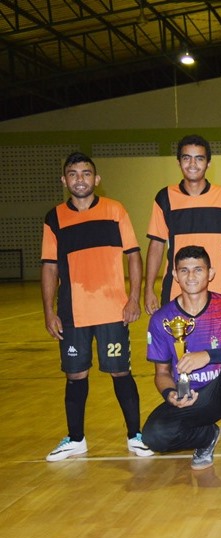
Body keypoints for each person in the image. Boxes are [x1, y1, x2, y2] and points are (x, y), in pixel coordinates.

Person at [41, 152, 151, 461]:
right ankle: (76, 439)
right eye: (73, 174)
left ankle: (135, 435)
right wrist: (49, 311)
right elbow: (49, 267)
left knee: (120, 372)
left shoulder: (115, 210)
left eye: (86, 173)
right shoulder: (54, 218)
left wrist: (133, 298)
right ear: (64, 180)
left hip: (112, 310)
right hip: (72, 313)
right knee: (76, 376)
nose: (80, 179)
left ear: (96, 179)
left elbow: (133, 254)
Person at [141, 245, 221, 496]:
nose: (191, 276)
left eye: (198, 269)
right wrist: (170, 395)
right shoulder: (161, 320)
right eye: (184, 270)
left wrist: (209, 356)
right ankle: (206, 436)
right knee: (154, 435)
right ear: (175, 275)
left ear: (210, 273)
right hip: (194, 400)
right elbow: (162, 373)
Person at [145, 134, 221, 315]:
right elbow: (156, 246)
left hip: (220, 292)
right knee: (178, 343)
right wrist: (149, 289)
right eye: (186, 158)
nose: (192, 164)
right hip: (177, 291)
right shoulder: (165, 198)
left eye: (199, 158)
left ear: (208, 163)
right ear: (178, 162)